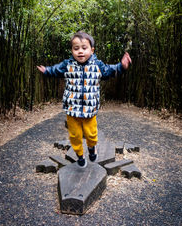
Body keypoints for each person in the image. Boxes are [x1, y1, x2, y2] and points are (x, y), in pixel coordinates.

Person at [37, 31, 131, 168]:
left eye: (84, 48)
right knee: (75, 136)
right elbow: (56, 70)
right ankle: (80, 156)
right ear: (72, 50)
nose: (80, 51)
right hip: (71, 109)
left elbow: (110, 70)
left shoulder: (97, 65)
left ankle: (92, 149)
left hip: (89, 109)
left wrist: (121, 66)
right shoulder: (67, 65)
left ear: (91, 50)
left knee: (91, 135)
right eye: (76, 48)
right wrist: (47, 71)